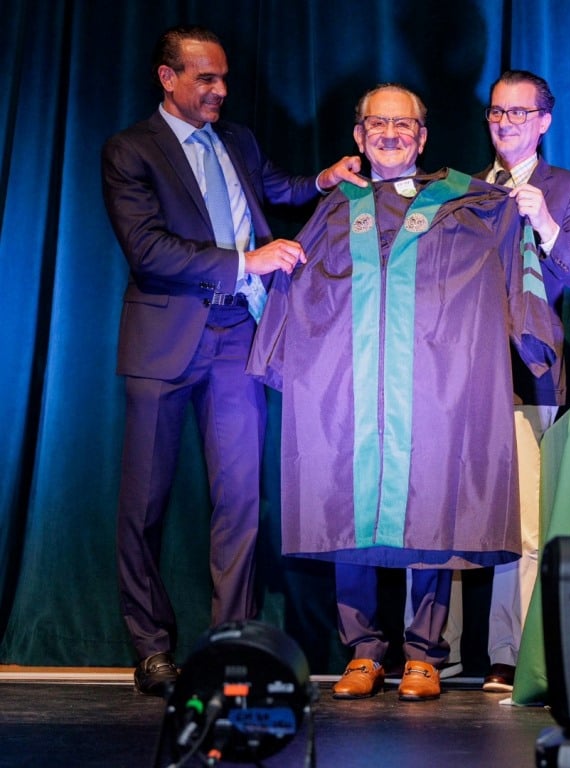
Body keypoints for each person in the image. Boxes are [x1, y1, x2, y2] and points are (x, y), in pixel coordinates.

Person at [247, 83, 560, 702]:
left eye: (403, 125)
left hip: (437, 386)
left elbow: (516, 265)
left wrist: (534, 343)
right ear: (359, 137)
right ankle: (363, 652)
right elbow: (298, 279)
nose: (390, 134)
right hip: (351, 386)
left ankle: (424, 655)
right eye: (377, 125)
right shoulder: (336, 209)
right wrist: (277, 355)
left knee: (433, 510)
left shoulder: (469, 204)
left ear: (421, 138)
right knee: (347, 508)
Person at [101, 24, 365, 696]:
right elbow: (148, 250)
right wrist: (246, 261)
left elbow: (276, 188)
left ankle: (232, 644)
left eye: (223, 78)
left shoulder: (237, 140)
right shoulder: (131, 150)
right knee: (144, 504)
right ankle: (151, 647)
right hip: (164, 341)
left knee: (241, 500)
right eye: (205, 78)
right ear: (168, 78)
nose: (219, 90)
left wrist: (324, 179)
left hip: (237, 338)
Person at [478, 70, 570, 693]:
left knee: (526, 524)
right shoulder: (466, 189)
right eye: (497, 112)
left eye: (519, 113)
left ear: (544, 122)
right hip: (462, 377)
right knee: (456, 516)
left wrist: (548, 225)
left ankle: (517, 656)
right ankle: (437, 654)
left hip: (528, 375)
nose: (505, 123)